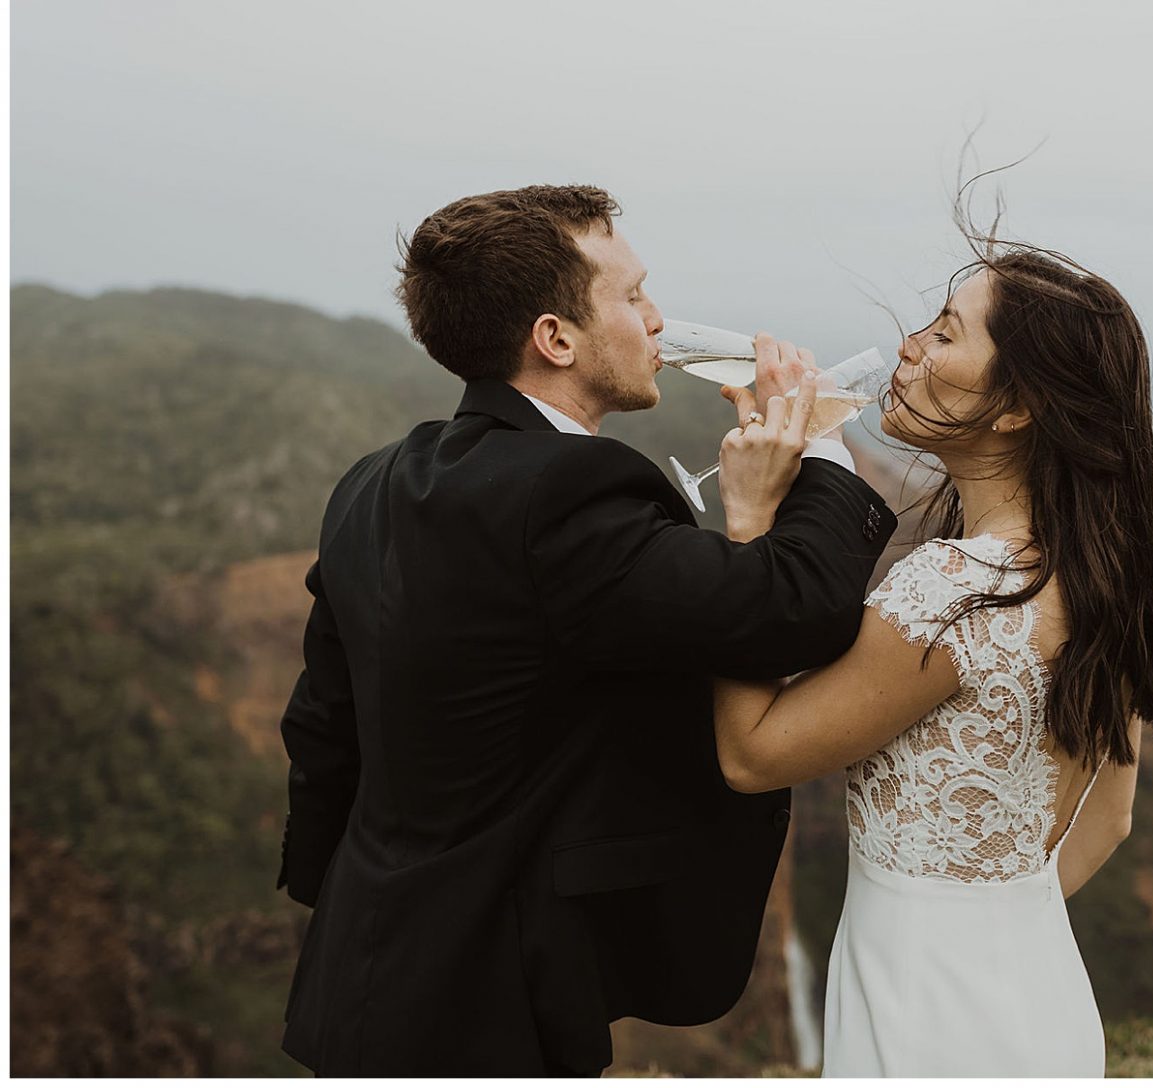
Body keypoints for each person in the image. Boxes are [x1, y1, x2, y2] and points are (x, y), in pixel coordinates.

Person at [276, 184, 898, 1075]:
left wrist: (338, 893)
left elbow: (324, 726)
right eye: (632, 296)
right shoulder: (569, 493)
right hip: (485, 1002)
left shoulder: (371, 483)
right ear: (555, 338)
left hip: (358, 972)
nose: (658, 319)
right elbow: (785, 609)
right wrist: (820, 444)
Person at [712, 234, 1153, 1076]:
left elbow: (752, 755)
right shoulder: (1102, 573)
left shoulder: (956, 590)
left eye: (943, 334)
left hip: (920, 1002)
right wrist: (988, 924)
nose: (907, 346)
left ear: (1017, 406)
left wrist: (753, 526)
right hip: (1039, 990)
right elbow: (1106, 824)